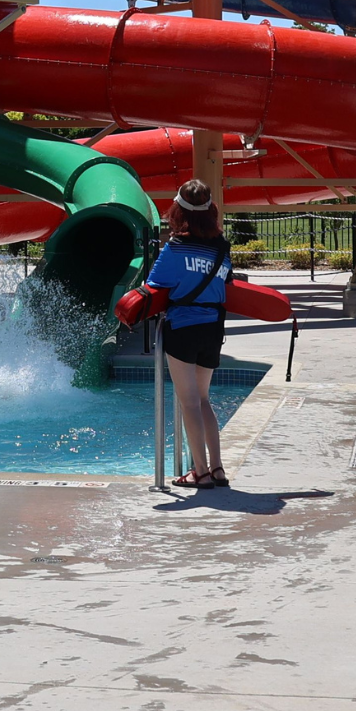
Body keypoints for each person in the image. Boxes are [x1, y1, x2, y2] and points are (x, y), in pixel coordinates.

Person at [142, 179, 233, 488]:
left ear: (178, 210)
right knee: (203, 399)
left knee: (189, 402)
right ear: (211, 211)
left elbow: (154, 286)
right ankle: (217, 469)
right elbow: (226, 283)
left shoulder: (175, 248)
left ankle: (201, 473)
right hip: (213, 329)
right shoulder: (222, 247)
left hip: (182, 327)